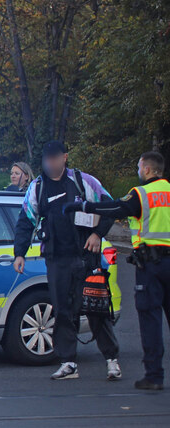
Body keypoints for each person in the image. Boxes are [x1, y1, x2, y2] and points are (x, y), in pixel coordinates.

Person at [13, 141, 119, 381]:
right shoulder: (37, 188)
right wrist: (19, 252)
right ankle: (68, 362)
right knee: (62, 311)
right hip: (57, 259)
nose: (50, 163)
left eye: (54, 158)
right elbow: (26, 220)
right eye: (46, 159)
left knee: (96, 310)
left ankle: (112, 359)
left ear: (65, 158)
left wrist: (97, 234)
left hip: (86, 257)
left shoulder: (84, 182)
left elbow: (110, 206)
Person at [65, 151, 169, 390]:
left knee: (151, 320)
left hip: (151, 266)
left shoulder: (142, 194)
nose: (138, 171)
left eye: (138, 167)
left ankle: (154, 376)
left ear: (147, 169)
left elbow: (117, 209)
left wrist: (85, 205)